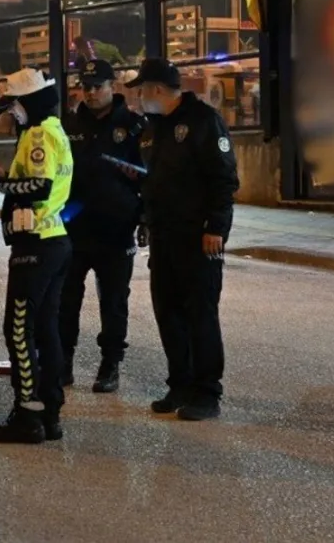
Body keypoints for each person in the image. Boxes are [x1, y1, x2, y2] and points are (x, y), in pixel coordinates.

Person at [121, 58, 239, 421]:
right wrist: (144, 215)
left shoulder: (203, 122)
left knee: (200, 314)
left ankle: (207, 392)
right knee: (168, 313)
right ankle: (180, 385)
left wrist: (216, 228)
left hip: (198, 236)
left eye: (142, 90)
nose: (139, 97)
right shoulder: (152, 128)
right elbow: (152, 180)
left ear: (157, 89)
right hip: (165, 236)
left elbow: (224, 180)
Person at [0, 67, 73, 444]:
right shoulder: (51, 130)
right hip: (52, 240)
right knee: (45, 330)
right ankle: (48, 413)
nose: (11, 114)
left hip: (37, 243)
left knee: (18, 330)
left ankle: (27, 416)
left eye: (13, 106)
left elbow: (40, 187)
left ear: (28, 102)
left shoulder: (38, 134)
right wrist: (1, 174)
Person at [58, 59, 147, 393]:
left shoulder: (135, 126)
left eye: (98, 86)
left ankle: (110, 365)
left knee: (113, 303)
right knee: (65, 302)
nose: (91, 92)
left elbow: (148, 177)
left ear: (113, 87)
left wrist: (144, 217)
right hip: (73, 229)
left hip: (116, 228)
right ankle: (63, 362)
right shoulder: (68, 125)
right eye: (86, 86)